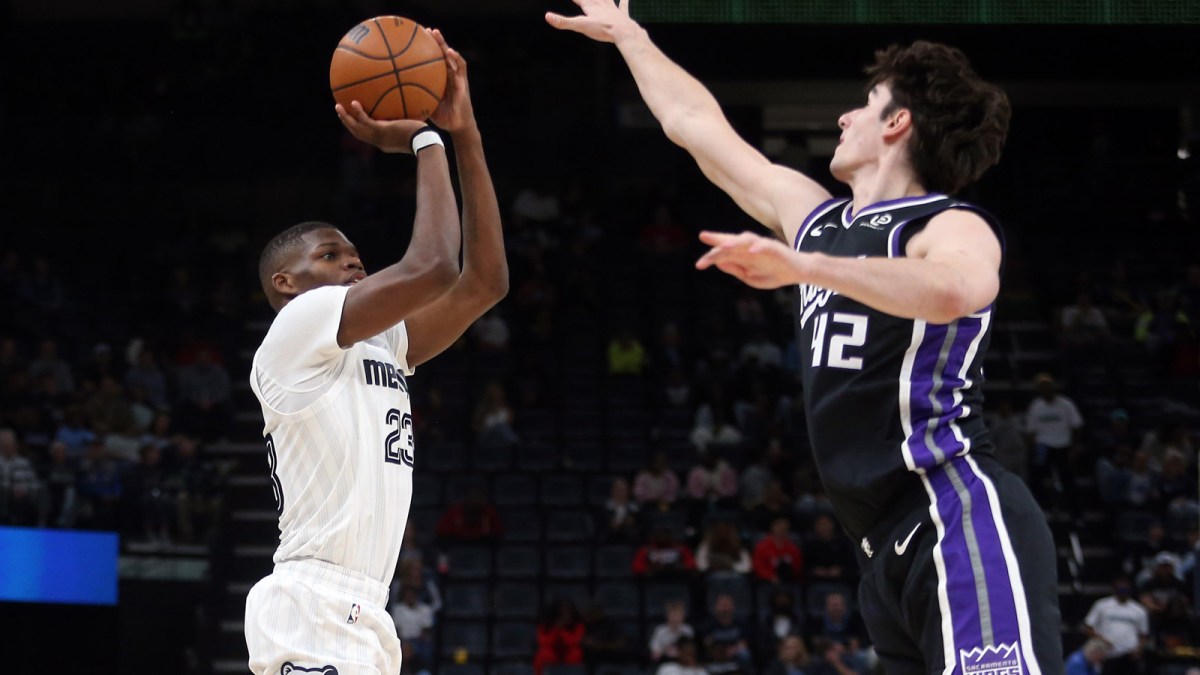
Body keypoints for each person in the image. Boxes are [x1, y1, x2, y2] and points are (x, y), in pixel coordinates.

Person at [547, 4, 1060, 674]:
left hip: (952, 513)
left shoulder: (947, 223)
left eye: (865, 103)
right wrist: (631, 37)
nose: (845, 118)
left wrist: (805, 269)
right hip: (880, 550)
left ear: (897, 123)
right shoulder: (816, 220)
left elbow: (958, 291)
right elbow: (695, 126)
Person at [242, 31, 508, 675]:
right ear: (286, 282)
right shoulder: (301, 324)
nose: (353, 262)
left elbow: (485, 282)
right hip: (312, 602)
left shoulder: (382, 339)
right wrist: (423, 142)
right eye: (330, 256)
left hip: (366, 611)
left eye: (356, 255)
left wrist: (465, 134)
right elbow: (436, 265)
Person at [1083, 577, 1150, 675]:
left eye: (1126, 590)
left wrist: (1139, 650)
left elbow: (1144, 634)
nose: (1123, 592)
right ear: (1115, 589)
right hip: (1108, 654)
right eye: (1121, 589)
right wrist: (1102, 641)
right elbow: (1088, 627)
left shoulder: (1139, 610)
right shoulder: (1102, 605)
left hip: (1129, 654)